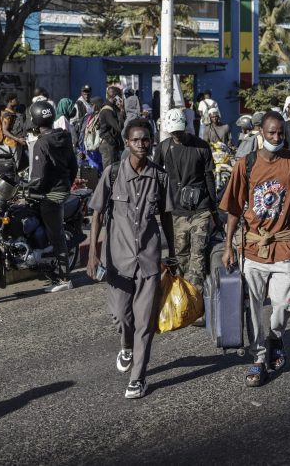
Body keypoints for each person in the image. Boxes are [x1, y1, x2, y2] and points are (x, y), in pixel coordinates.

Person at [220, 110, 290, 387]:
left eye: (280, 133)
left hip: (284, 244)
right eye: (271, 133)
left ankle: (275, 336)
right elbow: (234, 208)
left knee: (284, 304)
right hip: (252, 247)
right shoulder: (245, 164)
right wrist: (228, 246)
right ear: (261, 133)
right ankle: (259, 359)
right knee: (253, 308)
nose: (277, 137)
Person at [86, 119, 169, 400]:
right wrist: (93, 254)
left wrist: (171, 256)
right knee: (122, 316)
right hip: (117, 260)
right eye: (136, 140)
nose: (142, 144)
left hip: (148, 259)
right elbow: (96, 214)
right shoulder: (111, 175)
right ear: (126, 143)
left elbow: (166, 216)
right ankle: (126, 344)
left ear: (152, 142)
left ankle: (138, 378)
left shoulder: (159, 176)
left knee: (145, 322)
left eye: (146, 139)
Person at [154, 108, 218, 293]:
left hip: (201, 209)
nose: (177, 135)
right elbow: (155, 177)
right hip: (177, 211)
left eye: (179, 131)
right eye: (173, 132)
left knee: (197, 255)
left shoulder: (201, 146)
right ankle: (184, 296)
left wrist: (214, 209)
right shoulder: (163, 147)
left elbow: (209, 178)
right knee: (181, 255)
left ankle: (194, 298)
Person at [27, 100, 79, 293]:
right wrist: (65, 184)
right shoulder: (63, 137)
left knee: (55, 235)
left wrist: (27, 188)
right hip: (63, 188)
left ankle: (65, 278)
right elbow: (73, 166)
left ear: (35, 119)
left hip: (50, 194)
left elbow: (38, 177)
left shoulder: (41, 143)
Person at [0, 95, 27, 169]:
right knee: (14, 167)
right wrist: (18, 139)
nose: (18, 101)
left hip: (16, 143)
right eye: (16, 99)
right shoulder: (7, 115)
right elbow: (5, 131)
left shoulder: (12, 113)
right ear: (10, 101)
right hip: (12, 144)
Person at [98, 87, 124, 166]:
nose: (121, 98)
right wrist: (121, 111)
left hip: (111, 143)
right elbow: (118, 128)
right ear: (116, 96)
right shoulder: (107, 110)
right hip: (108, 144)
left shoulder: (112, 108)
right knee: (109, 170)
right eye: (120, 96)